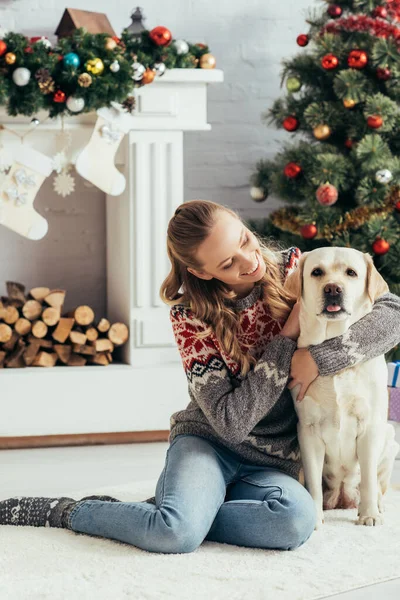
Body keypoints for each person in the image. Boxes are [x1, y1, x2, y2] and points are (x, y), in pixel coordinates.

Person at [1, 200, 400, 553]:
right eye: (227, 263)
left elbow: (392, 315)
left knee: (294, 523)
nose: (248, 261)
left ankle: (184, 509)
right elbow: (230, 423)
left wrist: (317, 359)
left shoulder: (300, 268)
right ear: (201, 271)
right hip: (208, 444)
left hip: (274, 462)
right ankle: (72, 512)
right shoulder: (189, 316)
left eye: (244, 240)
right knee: (174, 534)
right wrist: (285, 343)